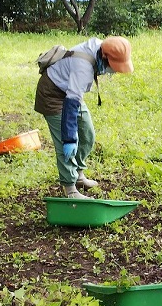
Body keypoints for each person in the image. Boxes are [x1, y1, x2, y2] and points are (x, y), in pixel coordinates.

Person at [34, 36, 134, 199]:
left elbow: (73, 97)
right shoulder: (83, 67)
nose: (114, 71)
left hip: (70, 91)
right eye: (114, 67)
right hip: (52, 94)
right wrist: (70, 139)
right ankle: (70, 188)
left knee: (87, 135)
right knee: (65, 143)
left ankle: (79, 175)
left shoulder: (102, 47)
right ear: (104, 57)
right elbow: (71, 102)